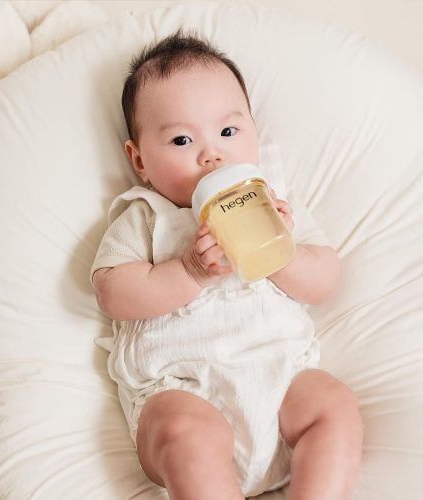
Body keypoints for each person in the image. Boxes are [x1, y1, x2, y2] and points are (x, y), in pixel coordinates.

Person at [91, 29, 363, 500]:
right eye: (181, 139)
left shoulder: (276, 206)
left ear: (254, 133)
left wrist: (280, 252)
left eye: (229, 132)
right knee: (181, 433)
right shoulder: (146, 216)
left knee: (335, 406)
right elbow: (112, 292)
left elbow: (324, 279)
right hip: (186, 390)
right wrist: (188, 271)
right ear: (140, 161)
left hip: (282, 383)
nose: (212, 153)